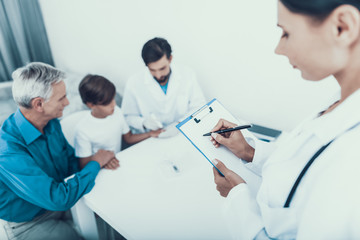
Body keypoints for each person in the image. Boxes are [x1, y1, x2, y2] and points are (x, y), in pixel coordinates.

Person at [210, 1, 360, 239]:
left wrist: (238, 199)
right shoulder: (341, 100)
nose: (278, 49)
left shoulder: (353, 162)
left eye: (286, 33)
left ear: (342, 26)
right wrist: (248, 151)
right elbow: (302, 164)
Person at [0, 62, 115, 239]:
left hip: (63, 198)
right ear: (39, 104)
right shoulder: (8, 151)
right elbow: (57, 199)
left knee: (112, 220)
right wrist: (94, 164)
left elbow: (70, 163)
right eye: (61, 98)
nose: (67, 102)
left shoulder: (51, 122)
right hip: (30, 222)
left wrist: (96, 161)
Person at [75, 74, 163, 169]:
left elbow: (128, 138)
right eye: (107, 103)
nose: (114, 104)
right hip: (100, 170)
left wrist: (150, 134)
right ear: (91, 105)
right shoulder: (82, 130)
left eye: (113, 98)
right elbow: (84, 166)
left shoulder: (117, 111)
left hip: (118, 163)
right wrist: (102, 162)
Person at [121, 37, 206, 135]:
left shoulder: (187, 74)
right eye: (152, 70)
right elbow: (127, 117)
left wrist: (180, 123)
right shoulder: (134, 83)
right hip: (152, 138)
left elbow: (199, 106)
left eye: (162, 68)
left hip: (184, 132)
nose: (158, 75)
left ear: (170, 59)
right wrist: (144, 123)